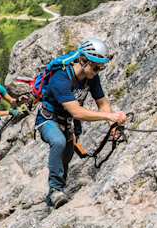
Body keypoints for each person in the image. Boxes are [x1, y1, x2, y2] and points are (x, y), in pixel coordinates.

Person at [35, 38, 127, 209]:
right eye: (96, 66)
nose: (98, 71)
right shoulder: (60, 77)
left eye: (101, 67)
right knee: (58, 142)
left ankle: (56, 191)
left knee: (66, 155)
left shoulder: (91, 76)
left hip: (68, 123)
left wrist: (112, 125)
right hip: (48, 119)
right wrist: (110, 117)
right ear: (83, 61)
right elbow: (77, 112)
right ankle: (55, 191)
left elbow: (102, 102)